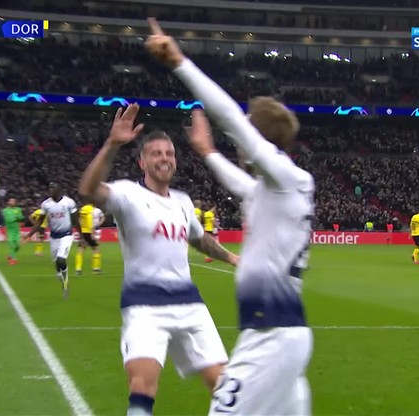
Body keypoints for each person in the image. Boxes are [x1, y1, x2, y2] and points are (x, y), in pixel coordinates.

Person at [146, 18, 314, 415]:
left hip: (273, 336)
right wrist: (207, 152)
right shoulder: (274, 190)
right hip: (276, 334)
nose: (240, 144)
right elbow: (241, 184)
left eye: (248, 135)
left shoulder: (289, 178)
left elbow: (232, 121)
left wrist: (180, 62)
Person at [78, 103, 238, 416]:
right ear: (142, 162)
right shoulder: (127, 194)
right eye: (156, 153)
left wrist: (231, 257)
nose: (164, 158)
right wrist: (112, 143)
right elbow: (88, 189)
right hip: (144, 306)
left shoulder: (183, 201)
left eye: (169, 153)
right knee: (142, 391)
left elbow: (198, 238)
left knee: (227, 390)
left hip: (190, 304)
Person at [22, 183, 79, 297]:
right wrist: (29, 235)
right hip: (54, 237)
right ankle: (59, 274)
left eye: (53, 188)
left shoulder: (69, 202)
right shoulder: (46, 204)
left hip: (66, 235)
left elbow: (75, 220)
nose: (50, 190)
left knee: (61, 260)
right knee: (56, 262)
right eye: (49, 188)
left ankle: (65, 282)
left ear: (59, 190)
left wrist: (83, 236)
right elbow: (39, 221)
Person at [75, 201, 102, 275]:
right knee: (96, 249)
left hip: (83, 231)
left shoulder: (82, 209)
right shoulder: (91, 209)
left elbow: (79, 220)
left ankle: (78, 269)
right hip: (88, 232)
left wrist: (81, 231)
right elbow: (90, 220)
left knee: (81, 249)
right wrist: (92, 231)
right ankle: (96, 269)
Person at [2, 198, 23, 265]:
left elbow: (21, 217)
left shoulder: (18, 209)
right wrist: (16, 217)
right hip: (10, 230)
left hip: (16, 230)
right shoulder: (5, 210)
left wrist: (18, 217)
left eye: (14, 201)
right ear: (8, 202)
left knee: (18, 245)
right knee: (11, 244)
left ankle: (10, 255)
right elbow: (8, 219)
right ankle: (13, 259)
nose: (12, 202)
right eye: (11, 201)